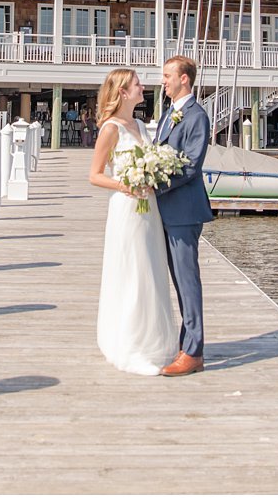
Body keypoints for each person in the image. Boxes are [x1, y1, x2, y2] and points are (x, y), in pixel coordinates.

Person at [90, 67, 176, 376]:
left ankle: (156, 339)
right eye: (137, 84)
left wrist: (154, 173)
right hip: (126, 208)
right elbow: (95, 175)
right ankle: (131, 344)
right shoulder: (111, 128)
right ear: (123, 92)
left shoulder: (140, 123)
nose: (143, 87)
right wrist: (126, 185)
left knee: (151, 269)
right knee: (131, 270)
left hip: (149, 207)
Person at [153, 55, 213, 376]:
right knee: (177, 281)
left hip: (184, 209)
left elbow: (190, 165)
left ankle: (194, 352)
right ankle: (185, 342)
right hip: (164, 210)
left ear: (184, 79)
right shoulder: (167, 115)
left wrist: (154, 185)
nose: (163, 81)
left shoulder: (196, 117)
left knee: (187, 281)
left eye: (167, 76)